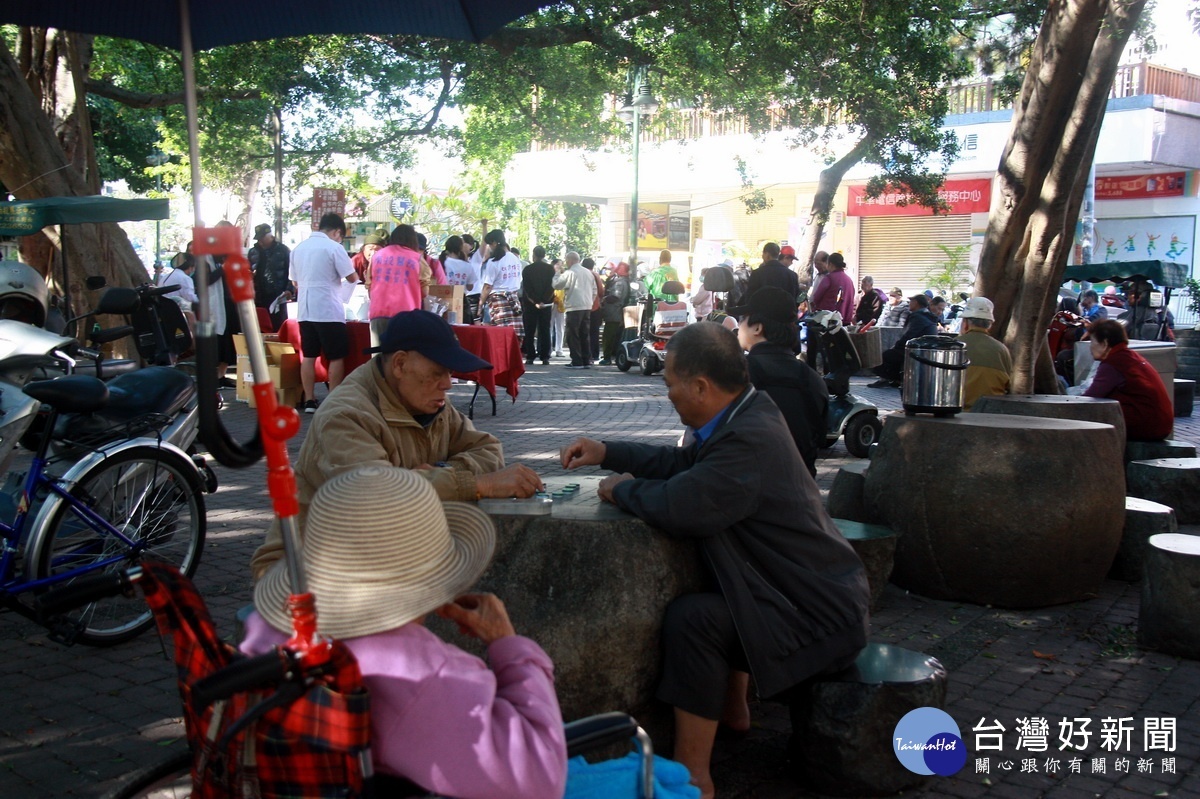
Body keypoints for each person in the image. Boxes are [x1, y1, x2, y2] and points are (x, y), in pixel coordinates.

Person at [559, 323, 869, 799]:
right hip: (811, 592)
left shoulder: (747, 438)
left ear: (700, 387)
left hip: (817, 614)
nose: (668, 395)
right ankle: (734, 709)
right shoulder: (747, 412)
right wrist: (609, 452)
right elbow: (686, 468)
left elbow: (685, 506)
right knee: (718, 586)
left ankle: (693, 778)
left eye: (670, 384)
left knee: (695, 620)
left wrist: (622, 488)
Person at [244, 465, 567, 799]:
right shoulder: (419, 674)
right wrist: (509, 645)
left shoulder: (263, 629)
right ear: (438, 579)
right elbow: (541, 780)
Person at [250, 310, 545, 578]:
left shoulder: (428, 402)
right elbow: (379, 494)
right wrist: (480, 485)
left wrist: (438, 473)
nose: (448, 384)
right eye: (437, 372)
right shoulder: (346, 415)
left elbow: (489, 449)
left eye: (449, 373)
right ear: (401, 364)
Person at [736, 287, 828, 476]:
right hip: (800, 489)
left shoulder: (736, 373)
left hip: (746, 487)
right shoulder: (812, 378)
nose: (739, 326)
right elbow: (819, 436)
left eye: (743, 319)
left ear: (758, 327)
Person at [288, 212, 360, 412]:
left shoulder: (298, 249)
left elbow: (294, 282)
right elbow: (352, 277)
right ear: (337, 232)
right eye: (341, 236)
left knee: (309, 355)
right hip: (328, 309)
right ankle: (332, 399)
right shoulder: (334, 248)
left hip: (304, 309)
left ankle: (309, 400)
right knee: (336, 356)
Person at [1084, 319, 1173, 441]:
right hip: (1162, 423)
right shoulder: (1129, 356)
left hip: (1148, 426)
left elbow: (1089, 399)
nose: (1090, 347)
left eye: (1092, 341)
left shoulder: (1113, 362)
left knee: (1089, 415)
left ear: (1104, 343)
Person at [367, 224, 430, 348]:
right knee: (402, 359)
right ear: (413, 240)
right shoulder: (417, 259)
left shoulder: (377, 256)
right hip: (407, 317)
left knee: (378, 359)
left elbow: (370, 289)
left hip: (378, 313)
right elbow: (424, 292)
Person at [868, 294, 939, 388]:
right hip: (923, 347)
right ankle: (895, 380)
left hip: (917, 349)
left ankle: (888, 379)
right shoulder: (925, 315)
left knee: (883, 358)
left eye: (911, 301)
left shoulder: (918, 316)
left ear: (916, 303)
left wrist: (897, 345)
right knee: (894, 355)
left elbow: (910, 335)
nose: (909, 304)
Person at [957, 296, 1012, 411]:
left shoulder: (953, 347)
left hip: (957, 413)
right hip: (991, 414)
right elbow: (1009, 386)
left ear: (965, 323)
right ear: (990, 324)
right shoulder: (1001, 349)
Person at [552, 251, 596, 368]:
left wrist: (556, 273)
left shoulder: (570, 272)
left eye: (566, 261)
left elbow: (557, 285)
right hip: (586, 306)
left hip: (574, 307)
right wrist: (590, 301)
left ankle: (576, 360)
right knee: (584, 334)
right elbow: (594, 290)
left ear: (570, 260)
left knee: (573, 334)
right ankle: (586, 360)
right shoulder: (588, 272)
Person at [479, 230, 525, 340]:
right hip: (514, 300)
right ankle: (512, 355)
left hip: (498, 301)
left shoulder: (493, 261)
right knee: (515, 335)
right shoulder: (515, 259)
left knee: (499, 335)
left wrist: (480, 303)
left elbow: (487, 286)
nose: (490, 247)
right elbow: (519, 280)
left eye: (490, 244)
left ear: (494, 243)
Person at [249, 223, 292, 330]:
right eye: (258, 238)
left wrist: (290, 289)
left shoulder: (283, 250)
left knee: (278, 326)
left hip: (278, 295)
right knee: (260, 327)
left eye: (263, 238)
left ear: (270, 235)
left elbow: (292, 271)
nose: (260, 241)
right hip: (259, 296)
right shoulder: (253, 252)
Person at [521, 245, 555, 365]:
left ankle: (530, 355)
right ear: (544, 255)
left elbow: (527, 288)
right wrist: (544, 301)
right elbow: (552, 287)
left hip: (530, 304)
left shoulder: (527, 269)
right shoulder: (550, 269)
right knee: (545, 329)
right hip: (546, 304)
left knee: (529, 329)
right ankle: (545, 356)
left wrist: (535, 301)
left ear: (533, 255)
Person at [600, 261, 632, 365]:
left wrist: (604, 299)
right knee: (613, 336)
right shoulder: (622, 281)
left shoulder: (619, 282)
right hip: (616, 313)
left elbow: (615, 296)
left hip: (614, 313)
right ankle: (609, 356)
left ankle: (607, 357)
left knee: (609, 336)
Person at [442, 235, 480, 323]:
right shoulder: (467, 266)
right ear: (460, 248)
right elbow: (470, 287)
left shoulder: (441, 262)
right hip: (461, 302)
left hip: (443, 300)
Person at [809, 252, 854, 321]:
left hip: (829, 320)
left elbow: (816, 297)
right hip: (845, 319)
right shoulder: (849, 280)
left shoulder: (829, 278)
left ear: (830, 264)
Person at [550, 258, 567, 356]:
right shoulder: (550, 276)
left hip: (561, 303)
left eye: (561, 265)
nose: (560, 267)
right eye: (558, 264)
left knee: (560, 327)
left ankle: (559, 349)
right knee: (550, 326)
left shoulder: (564, 276)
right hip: (551, 303)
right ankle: (549, 348)